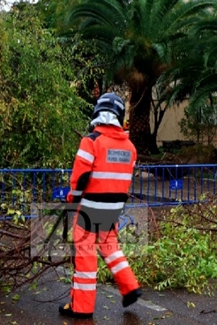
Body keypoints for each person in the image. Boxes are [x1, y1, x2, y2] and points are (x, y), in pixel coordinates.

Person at [59, 92, 142, 319]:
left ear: (98, 113)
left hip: (89, 209)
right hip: (112, 211)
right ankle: (130, 286)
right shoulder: (131, 149)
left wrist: (71, 200)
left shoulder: (91, 141)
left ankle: (82, 308)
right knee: (111, 248)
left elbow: (79, 178)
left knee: (85, 254)